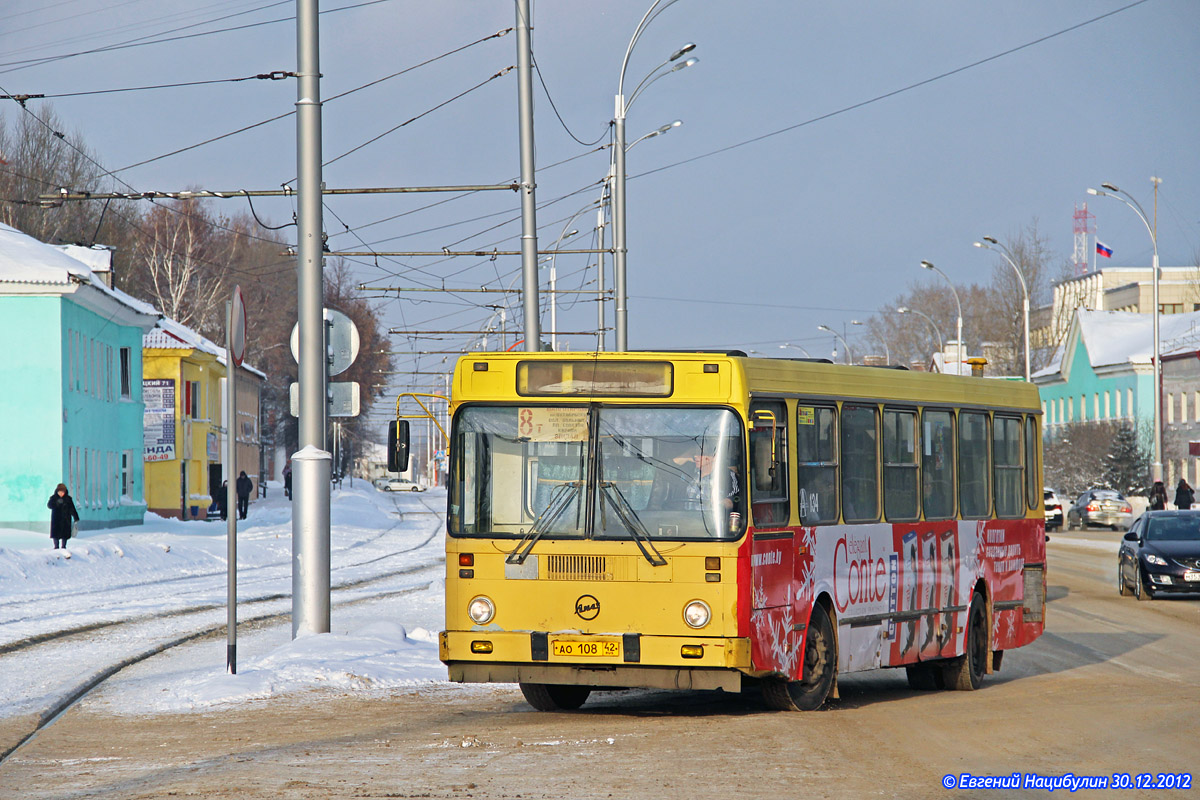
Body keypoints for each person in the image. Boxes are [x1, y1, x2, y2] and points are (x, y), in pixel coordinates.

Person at [47, 483, 79, 550]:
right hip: (56, 519)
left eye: (63, 492)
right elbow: (49, 505)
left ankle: (64, 547)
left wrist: (75, 517)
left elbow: (72, 509)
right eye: (60, 492)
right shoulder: (53, 498)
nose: (61, 493)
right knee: (55, 534)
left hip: (66, 519)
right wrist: (57, 503)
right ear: (57, 491)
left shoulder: (68, 499)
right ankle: (56, 547)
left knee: (65, 534)